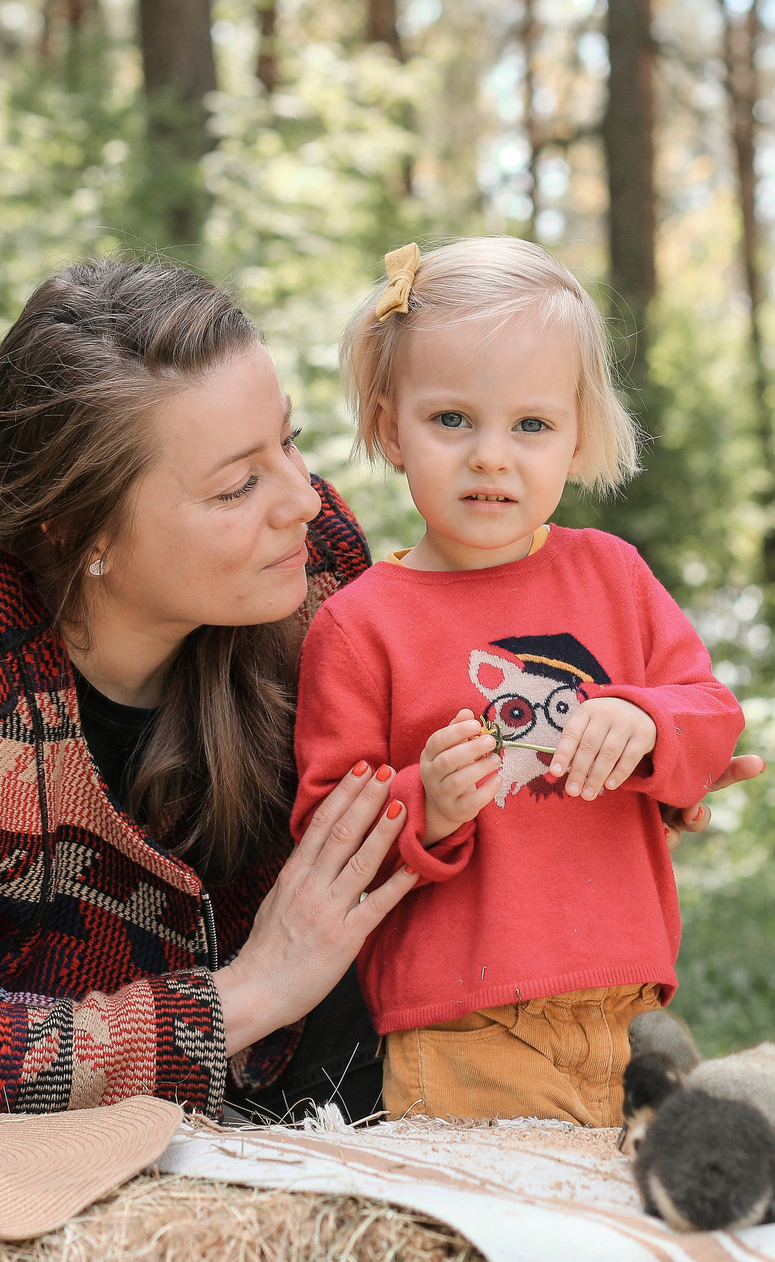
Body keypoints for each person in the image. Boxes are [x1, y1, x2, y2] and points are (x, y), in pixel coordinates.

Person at [0, 256, 762, 1121]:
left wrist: (636, 756)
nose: (302, 499)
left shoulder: (319, 557)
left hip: (274, 1094)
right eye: (236, 485)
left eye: (292, 440)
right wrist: (242, 995)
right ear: (80, 536)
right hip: (39, 1107)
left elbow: (433, 760)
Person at [290, 239, 746, 1126]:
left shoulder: (611, 575)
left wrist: (647, 721)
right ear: (390, 427)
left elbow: (713, 714)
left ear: (578, 434)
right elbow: (323, 834)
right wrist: (427, 800)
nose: (492, 457)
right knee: (504, 1236)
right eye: (452, 420)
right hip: (463, 1023)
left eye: (530, 425)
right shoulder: (360, 624)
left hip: (622, 1012)